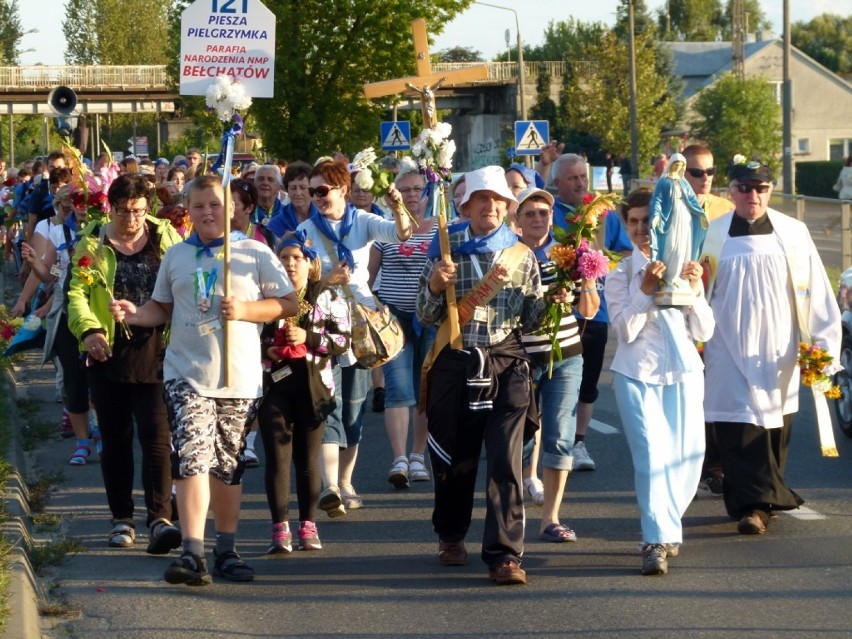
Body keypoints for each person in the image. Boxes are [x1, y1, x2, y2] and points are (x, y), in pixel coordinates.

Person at [110, 174, 298, 586]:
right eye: (198, 206)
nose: (207, 212)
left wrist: (247, 309)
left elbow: (288, 302)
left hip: (239, 377)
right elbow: (162, 307)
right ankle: (192, 552)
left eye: (215, 204)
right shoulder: (177, 256)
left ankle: (226, 549)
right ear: (188, 211)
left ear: (230, 208)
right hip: (185, 374)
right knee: (192, 456)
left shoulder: (253, 252)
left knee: (227, 466)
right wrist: (135, 313)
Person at [417, 165, 544, 586]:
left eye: (497, 200)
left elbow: (533, 318)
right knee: (454, 457)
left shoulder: (522, 255)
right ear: (466, 205)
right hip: (456, 360)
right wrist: (435, 286)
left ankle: (505, 554)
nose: (489, 206)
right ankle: (451, 535)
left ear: (508, 207)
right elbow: (424, 314)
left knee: (506, 460)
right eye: (481, 199)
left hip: (506, 363)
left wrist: (559, 295)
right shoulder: (446, 248)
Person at [701, 158, 841, 536]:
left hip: (778, 346)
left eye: (760, 188)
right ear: (730, 191)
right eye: (744, 188)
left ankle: (765, 498)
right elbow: (696, 293)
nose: (753, 195)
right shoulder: (712, 235)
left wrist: (823, 344)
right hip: (725, 345)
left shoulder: (793, 233)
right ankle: (751, 507)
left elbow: (816, 291)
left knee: (773, 427)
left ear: (770, 190)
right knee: (737, 427)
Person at [63, 173, 183, 552]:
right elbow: (77, 295)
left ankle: (160, 518)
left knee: (158, 441)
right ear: (109, 208)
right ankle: (122, 519)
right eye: (122, 211)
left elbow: (183, 282)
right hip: (107, 351)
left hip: (157, 349)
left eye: (138, 211)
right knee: (115, 440)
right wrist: (90, 332)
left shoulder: (166, 238)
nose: (131, 220)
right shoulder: (93, 242)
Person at [606, 188, 715, 575]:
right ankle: (654, 540)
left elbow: (704, 329)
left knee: (687, 459)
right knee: (651, 458)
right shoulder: (619, 275)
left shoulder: (685, 268)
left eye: (647, 221)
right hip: (636, 374)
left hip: (684, 372)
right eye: (633, 222)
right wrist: (645, 291)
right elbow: (625, 330)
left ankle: (667, 526)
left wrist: (694, 291)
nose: (641, 229)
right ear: (626, 226)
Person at [297, 160, 411, 516]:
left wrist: (397, 205)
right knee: (328, 406)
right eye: (310, 191)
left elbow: (401, 233)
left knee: (354, 410)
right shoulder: (304, 231)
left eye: (321, 190)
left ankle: (346, 482)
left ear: (342, 189)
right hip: (323, 325)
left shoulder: (362, 221)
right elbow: (296, 285)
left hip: (360, 327)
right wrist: (325, 280)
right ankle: (329, 486)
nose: (315, 197)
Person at [516, 186, 599, 543]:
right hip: (519, 357)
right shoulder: (509, 256)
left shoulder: (569, 255)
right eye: (530, 213)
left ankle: (550, 517)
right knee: (519, 437)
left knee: (559, 437)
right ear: (516, 220)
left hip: (565, 356)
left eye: (544, 213)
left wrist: (584, 284)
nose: (538, 218)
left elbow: (589, 311)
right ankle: (515, 505)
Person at [259, 231, 351, 554]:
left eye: (296, 258)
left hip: (314, 386)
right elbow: (249, 334)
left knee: (307, 459)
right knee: (277, 458)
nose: (290, 264)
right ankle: (279, 529)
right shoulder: (265, 294)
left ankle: (308, 526)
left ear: (309, 263)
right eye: (284, 258)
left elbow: (342, 341)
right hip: (275, 385)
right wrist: (266, 349)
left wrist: (308, 338)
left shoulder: (325, 293)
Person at [549, 152, 633, 471]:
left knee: (588, 384)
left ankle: (579, 443)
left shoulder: (604, 215)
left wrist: (601, 261)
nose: (580, 182)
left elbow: (625, 251)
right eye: (573, 178)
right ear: (558, 182)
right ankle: (546, 442)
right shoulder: (549, 213)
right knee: (553, 380)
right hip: (556, 312)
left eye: (583, 176)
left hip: (595, 313)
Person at [367, 168, 434, 489]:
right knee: (397, 388)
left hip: (430, 318)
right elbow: (367, 277)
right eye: (404, 190)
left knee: (425, 388)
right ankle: (399, 458)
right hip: (394, 319)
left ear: (426, 193)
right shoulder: (384, 230)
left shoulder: (439, 229)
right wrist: (367, 310)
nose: (410, 195)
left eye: (416, 189)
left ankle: (419, 455)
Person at [682, 144, 732, 498]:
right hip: (681, 310)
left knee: (716, 391)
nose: (705, 179)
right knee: (692, 394)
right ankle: (696, 463)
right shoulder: (668, 206)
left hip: (718, 311)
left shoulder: (727, 209)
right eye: (697, 172)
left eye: (710, 172)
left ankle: (716, 465)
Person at [648, 153, 707, 296]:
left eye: (681, 166)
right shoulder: (664, 182)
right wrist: (656, 216)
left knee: (683, 246)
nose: (678, 167)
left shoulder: (683, 182)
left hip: (685, 216)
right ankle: (669, 278)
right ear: (671, 165)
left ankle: (682, 278)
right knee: (672, 245)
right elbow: (657, 200)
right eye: (676, 165)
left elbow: (692, 201)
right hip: (671, 218)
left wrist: (701, 215)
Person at [267, 161, 315, 239]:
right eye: (293, 188)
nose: (298, 193)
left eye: (303, 188)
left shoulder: (324, 218)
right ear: (287, 191)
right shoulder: (276, 223)